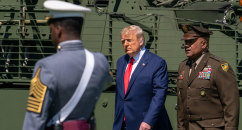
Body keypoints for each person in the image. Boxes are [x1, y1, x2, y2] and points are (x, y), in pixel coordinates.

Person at [22, 1, 111, 130]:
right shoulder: (100, 62)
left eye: (51, 28)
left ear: (58, 29)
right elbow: (106, 83)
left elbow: (34, 120)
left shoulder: (46, 67)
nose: (51, 33)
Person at [177, 24, 239, 130]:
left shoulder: (218, 67)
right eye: (186, 42)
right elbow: (181, 105)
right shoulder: (183, 66)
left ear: (204, 44)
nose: (186, 45)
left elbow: (231, 105)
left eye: (191, 42)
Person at [113, 25, 172, 130]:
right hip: (122, 123)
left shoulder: (157, 63)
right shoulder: (121, 62)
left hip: (144, 124)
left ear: (141, 41)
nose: (126, 44)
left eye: (129, 40)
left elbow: (159, 95)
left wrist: (148, 121)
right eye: (123, 41)